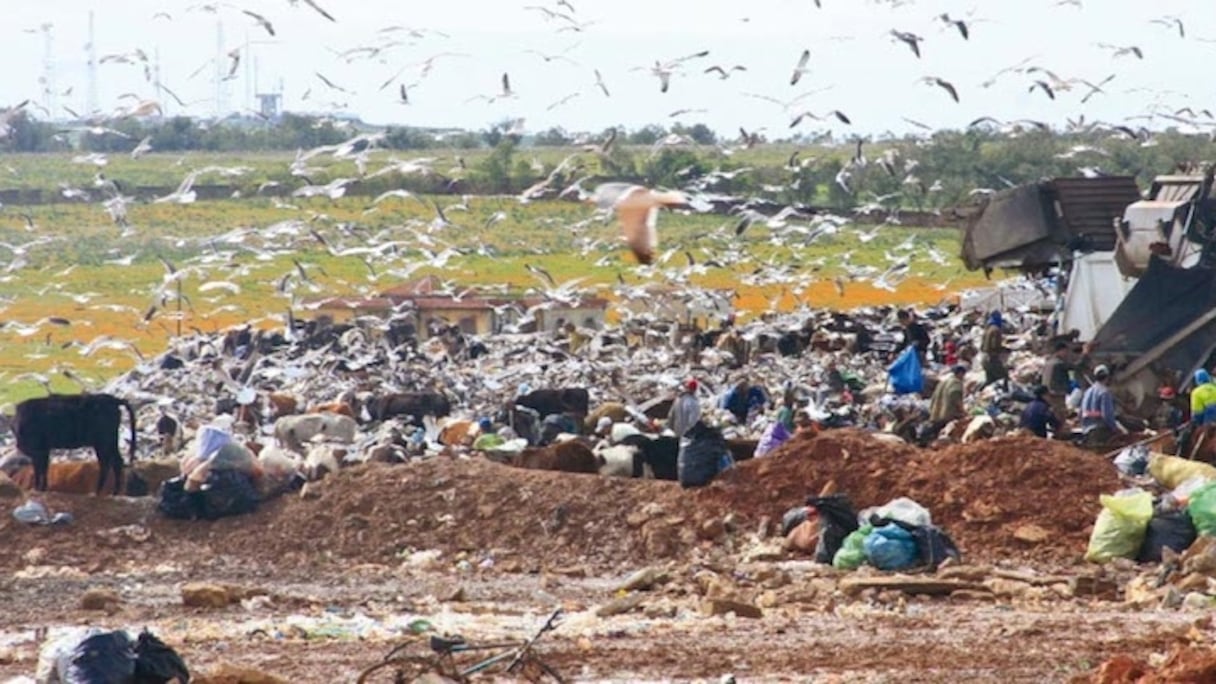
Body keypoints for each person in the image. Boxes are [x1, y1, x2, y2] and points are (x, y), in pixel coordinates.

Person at [922, 364, 967, 443]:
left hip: (937, 413)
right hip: (948, 414)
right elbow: (955, 395)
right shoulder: (956, 382)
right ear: (960, 373)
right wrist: (963, 411)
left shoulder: (943, 382)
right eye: (963, 374)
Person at [1080, 365, 1121, 446]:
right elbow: (1107, 415)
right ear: (1107, 377)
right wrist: (1115, 429)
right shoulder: (1104, 392)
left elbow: (1081, 413)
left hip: (1087, 431)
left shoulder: (1088, 391)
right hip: (1100, 431)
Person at [1040, 340, 1078, 427]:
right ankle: (1061, 433)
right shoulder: (1058, 363)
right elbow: (1075, 367)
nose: (1067, 354)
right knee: (1060, 416)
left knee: (1055, 413)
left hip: (1049, 393)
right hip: (1057, 393)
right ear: (1060, 351)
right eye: (1065, 351)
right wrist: (1085, 354)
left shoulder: (1049, 362)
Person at [980, 310, 1010, 389]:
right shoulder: (996, 330)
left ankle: (978, 393)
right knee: (1004, 378)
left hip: (985, 358)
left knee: (990, 381)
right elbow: (994, 346)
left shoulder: (987, 329)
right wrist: (1004, 349)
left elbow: (982, 345)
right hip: (992, 359)